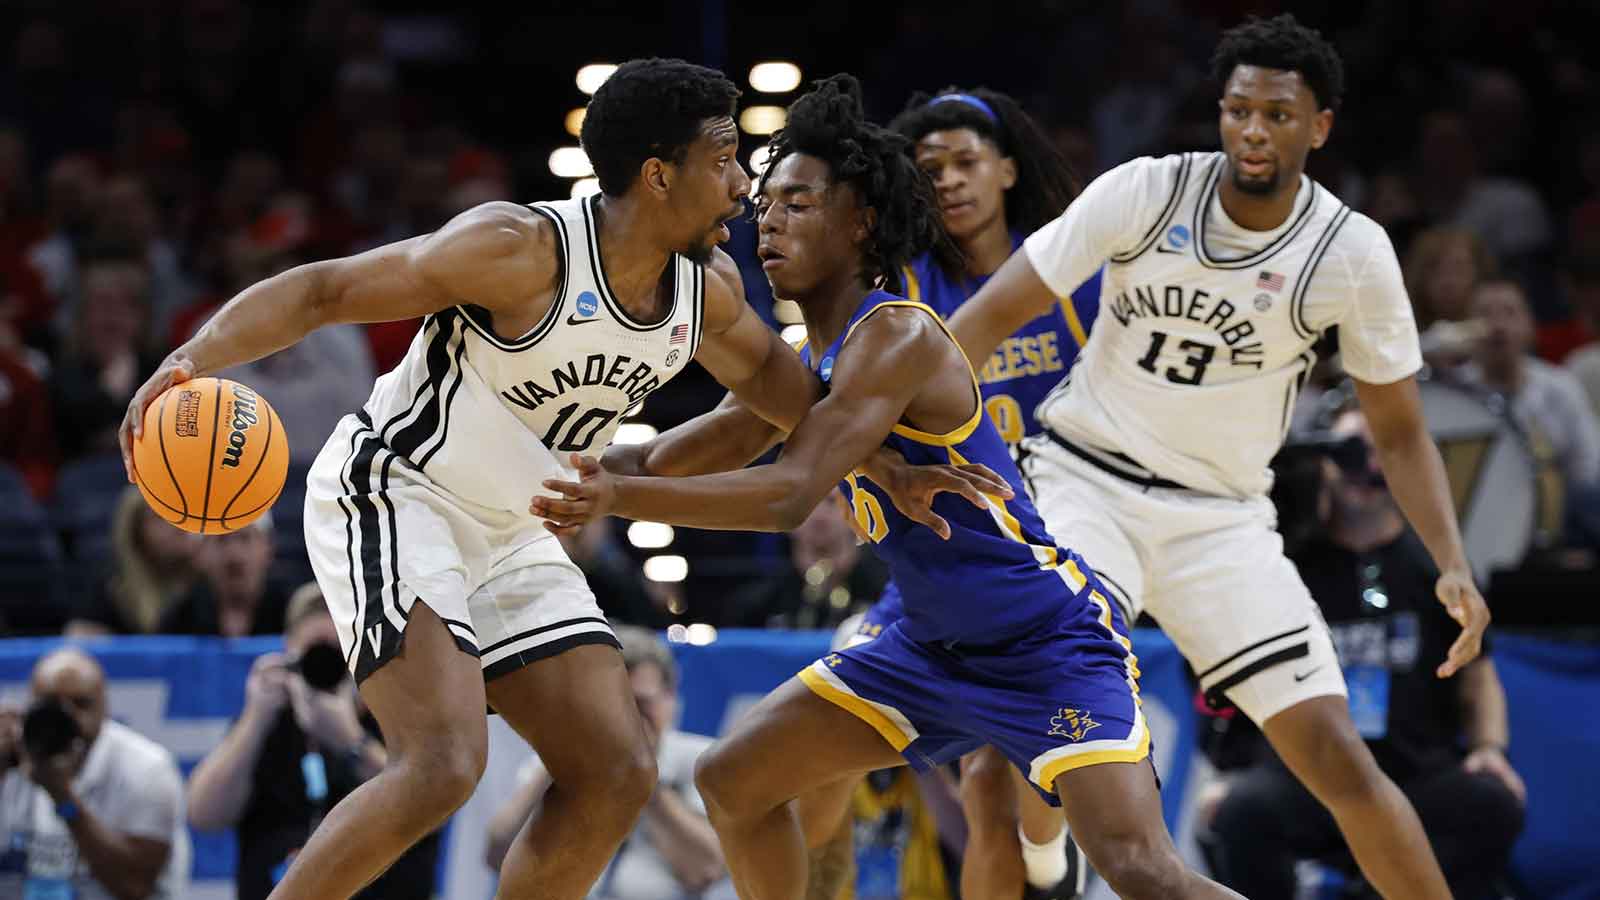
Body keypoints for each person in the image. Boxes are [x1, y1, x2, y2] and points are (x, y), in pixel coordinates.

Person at [117, 57, 929, 900]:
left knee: (617, 772)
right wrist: (192, 355)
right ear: (658, 175)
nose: (740, 188)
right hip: (398, 491)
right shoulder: (519, 250)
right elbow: (326, 290)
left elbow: (791, 403)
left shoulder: (706, 294)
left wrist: (889, 467)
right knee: (442, 765)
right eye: (722, 159)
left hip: (513, 528)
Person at [536, 74, 1243, 900]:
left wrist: (616, 501)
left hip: (1041, 643)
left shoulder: (897, 333)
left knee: (1139, 870)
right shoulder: (813, 361)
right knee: (734, 780)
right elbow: (666, 458)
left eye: (798, 203)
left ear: (861, 221)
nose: (768, 219)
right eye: (766, 204)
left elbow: (790, 495)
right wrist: (543, 467)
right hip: (924, 641)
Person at [944, 14, 1489, 900]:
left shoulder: (1349, 252)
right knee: (1029, 734)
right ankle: (1044, 861)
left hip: (1223, 520)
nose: (1253, 131)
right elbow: (984, 321)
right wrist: (908, 439)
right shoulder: (1147, 191)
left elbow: (1397, 431)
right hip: (1085, 482)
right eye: (1239, 110)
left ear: (1319, 125)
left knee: (1339, 760)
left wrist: (1452, 563)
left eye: (1277, 114)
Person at [816, 86, 1108, 900]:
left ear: (1009, 169)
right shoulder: (902, 292)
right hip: (955, 560)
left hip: (1072, 553)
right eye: (928, 167)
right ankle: (1049, 870)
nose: (947, 179)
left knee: (1006, 778)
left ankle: (1052, 858)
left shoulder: (1073, 276)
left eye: (966, 161)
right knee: (963, 775)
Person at [1204, 409, 1525, 899]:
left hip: (1413, 774)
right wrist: (1231, 773)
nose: (1366, 467)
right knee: (1240, 810)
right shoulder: (1286, 565)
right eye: (1351, 451)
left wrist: (1489, 749)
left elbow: (1480, 675)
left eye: (1381, 452)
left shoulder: (1435, 569)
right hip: (1311, 776)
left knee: (1493, 803)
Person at [187, 582, 440, 900]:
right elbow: (203, 815)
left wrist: (351, 740)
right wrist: (255, 719)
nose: (325, 666)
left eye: (338, 653)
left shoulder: (395, 715)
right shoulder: (267, 720)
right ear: (290, 653)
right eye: (314, 653)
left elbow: (430, 808)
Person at [485, 625, 730, 900]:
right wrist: (556, 767)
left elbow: (707, 868)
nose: (627, 718)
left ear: (670, 698)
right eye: (613, 705)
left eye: (641, 703)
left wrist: (643, 778)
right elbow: (497, 855)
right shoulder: (561, 763)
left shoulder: (703, 761)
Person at [0, 647, 189, 898]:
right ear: (30, 705)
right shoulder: (13, 752)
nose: (66, 718)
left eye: (81, 703)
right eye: (51, 703)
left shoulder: (147, 769)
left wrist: (64, 798)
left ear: (105, 708)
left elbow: (135, 887)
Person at [65, 485, 204, 636]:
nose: (178, 525)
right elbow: (79, 638)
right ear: (135, 532)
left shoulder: (210, 580)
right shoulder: (111, 588)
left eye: (183, 515)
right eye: (161, 518)